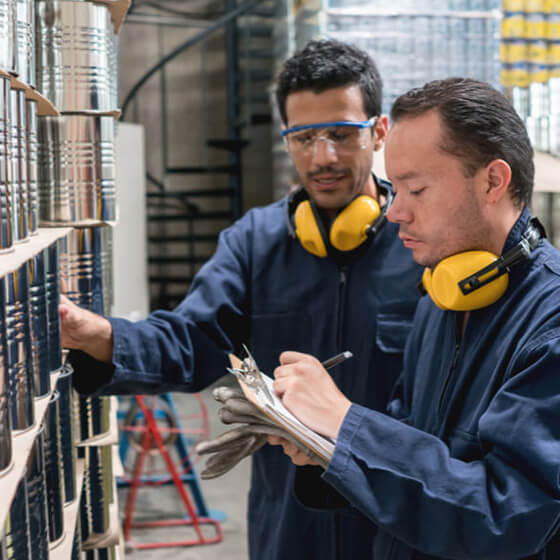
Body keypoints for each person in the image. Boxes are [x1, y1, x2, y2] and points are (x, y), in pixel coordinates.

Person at [60, 39, 422, 560]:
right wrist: (99, 336)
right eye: (304, 137)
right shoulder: (256, 242)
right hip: (290, 523)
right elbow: (191, 341)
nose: (323, 156)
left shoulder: (419, 243)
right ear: (286, 141)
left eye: (342, 135)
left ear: (378, 131)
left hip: (397, 518)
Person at [271, 77, 560, 559]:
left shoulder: (549, 328)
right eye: (395, 187)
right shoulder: (440, 300)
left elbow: (506, 515)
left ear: (493, 181)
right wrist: (327, 450)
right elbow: (409, 444)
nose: (394, 212)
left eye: (416, 189)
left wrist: (345, 421)